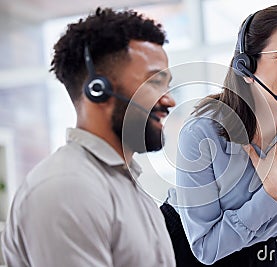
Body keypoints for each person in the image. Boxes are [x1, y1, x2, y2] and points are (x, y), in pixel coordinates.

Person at [161, 5, 277, 267]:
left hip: (259, 247)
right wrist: (269, 194)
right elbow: (206, 249)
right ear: (247, 66)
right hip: (186, 249)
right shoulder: (201, 132)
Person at [1, 7, 176, 267]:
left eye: (167, 85)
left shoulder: (126, 183)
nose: (170, 100)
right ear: (98, 90)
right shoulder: (68, 188)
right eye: (153, 83)